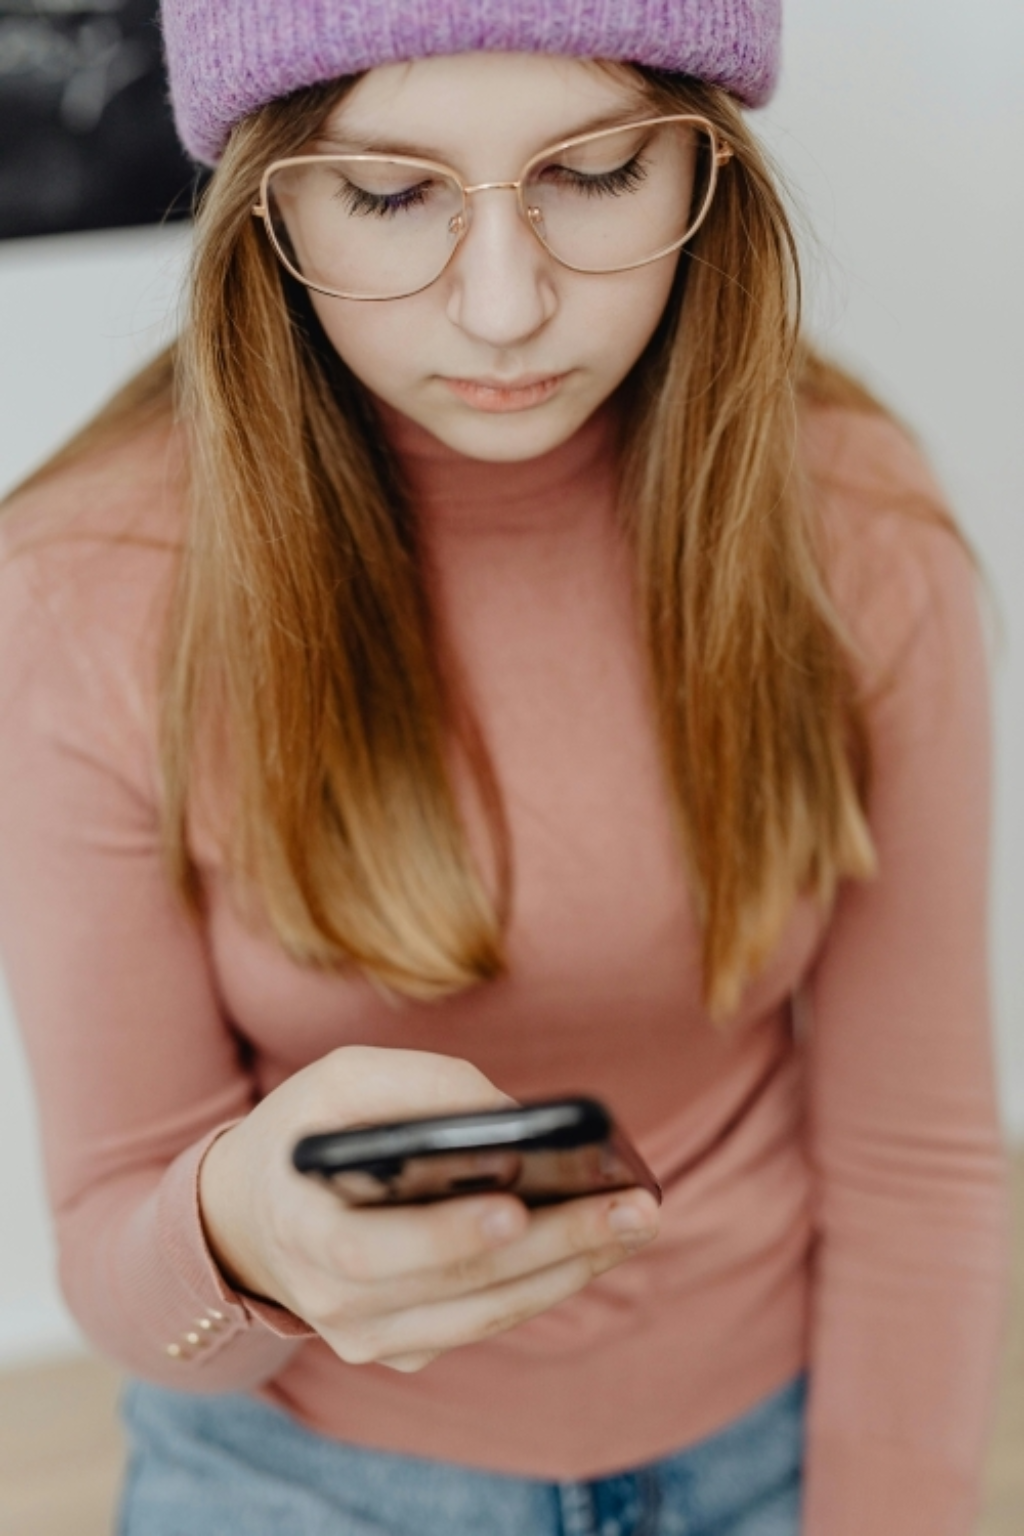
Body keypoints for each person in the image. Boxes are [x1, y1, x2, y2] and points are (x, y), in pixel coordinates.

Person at [0, 2, 1010, 1533]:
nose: (502, 306)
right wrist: (239, 1240)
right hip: (293, 1480)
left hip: (775, 1453)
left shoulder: (857, 530)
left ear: (708, 169)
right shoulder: (80, 587)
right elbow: (127, 1284)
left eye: (596, 172)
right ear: (264, 205)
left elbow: (918, 1160)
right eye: (390, 195)